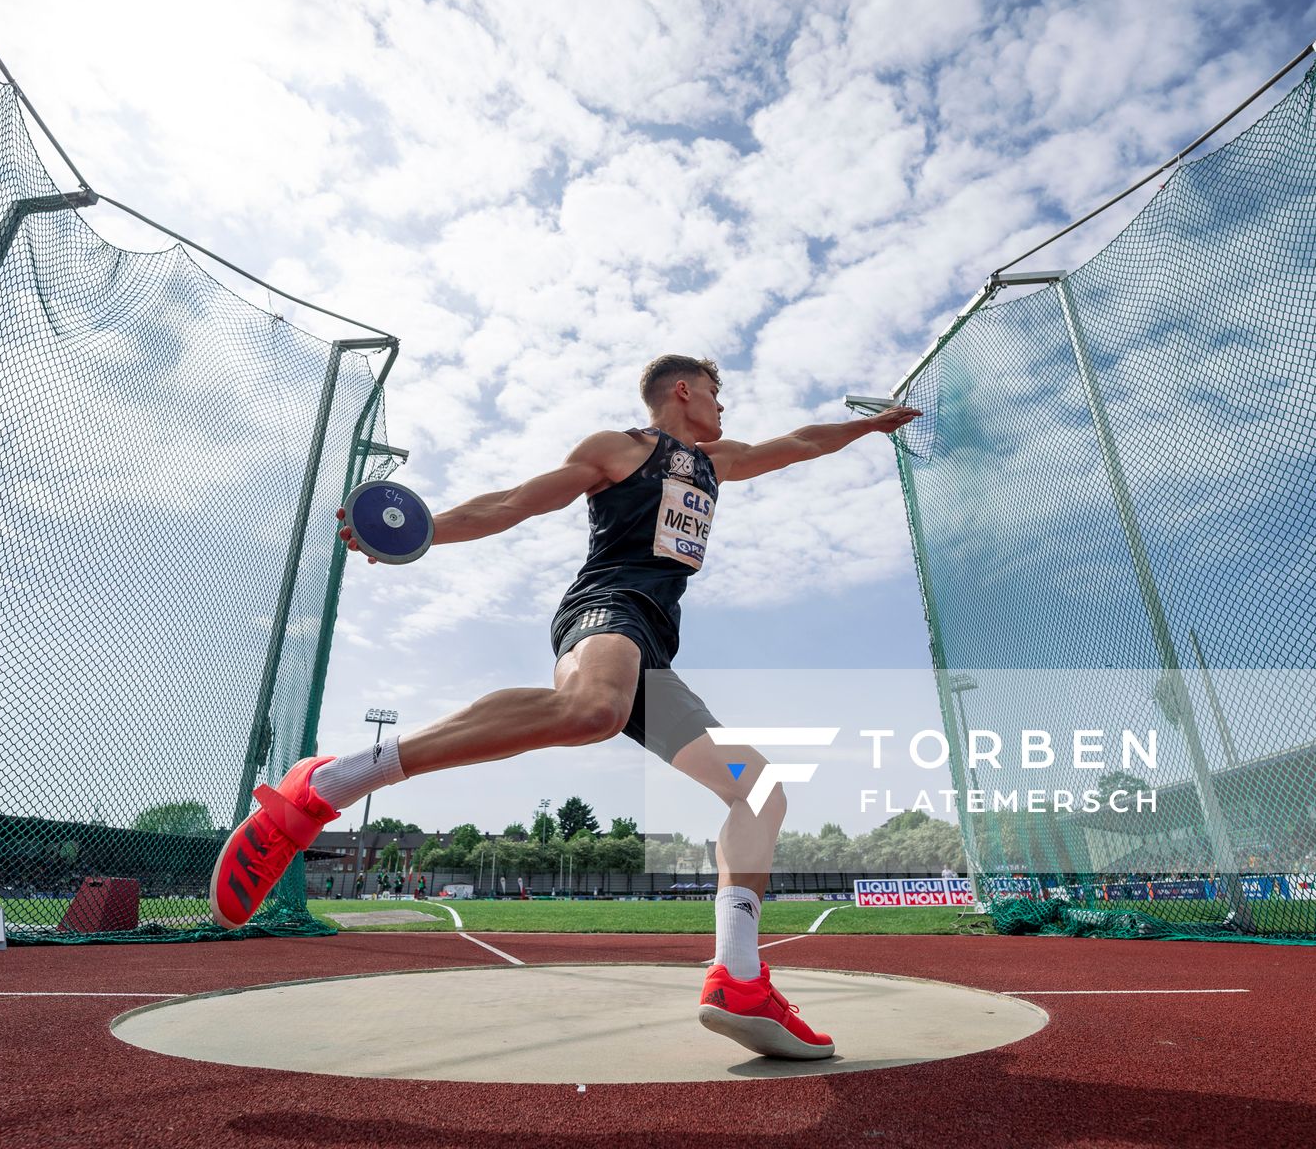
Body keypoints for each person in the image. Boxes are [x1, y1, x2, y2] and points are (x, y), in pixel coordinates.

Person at [211, 354, 917, 1060]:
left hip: (653, 648)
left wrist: (871, 428)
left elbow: (798, 444)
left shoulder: (717, 461)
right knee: (591, 711)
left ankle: (739, 977)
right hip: (606, 613)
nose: (724, 407)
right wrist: (421, 533)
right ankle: (324, 785)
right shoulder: (620, 449)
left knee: (758, 791)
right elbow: (515, 502)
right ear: (682, 391)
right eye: (715, 393)